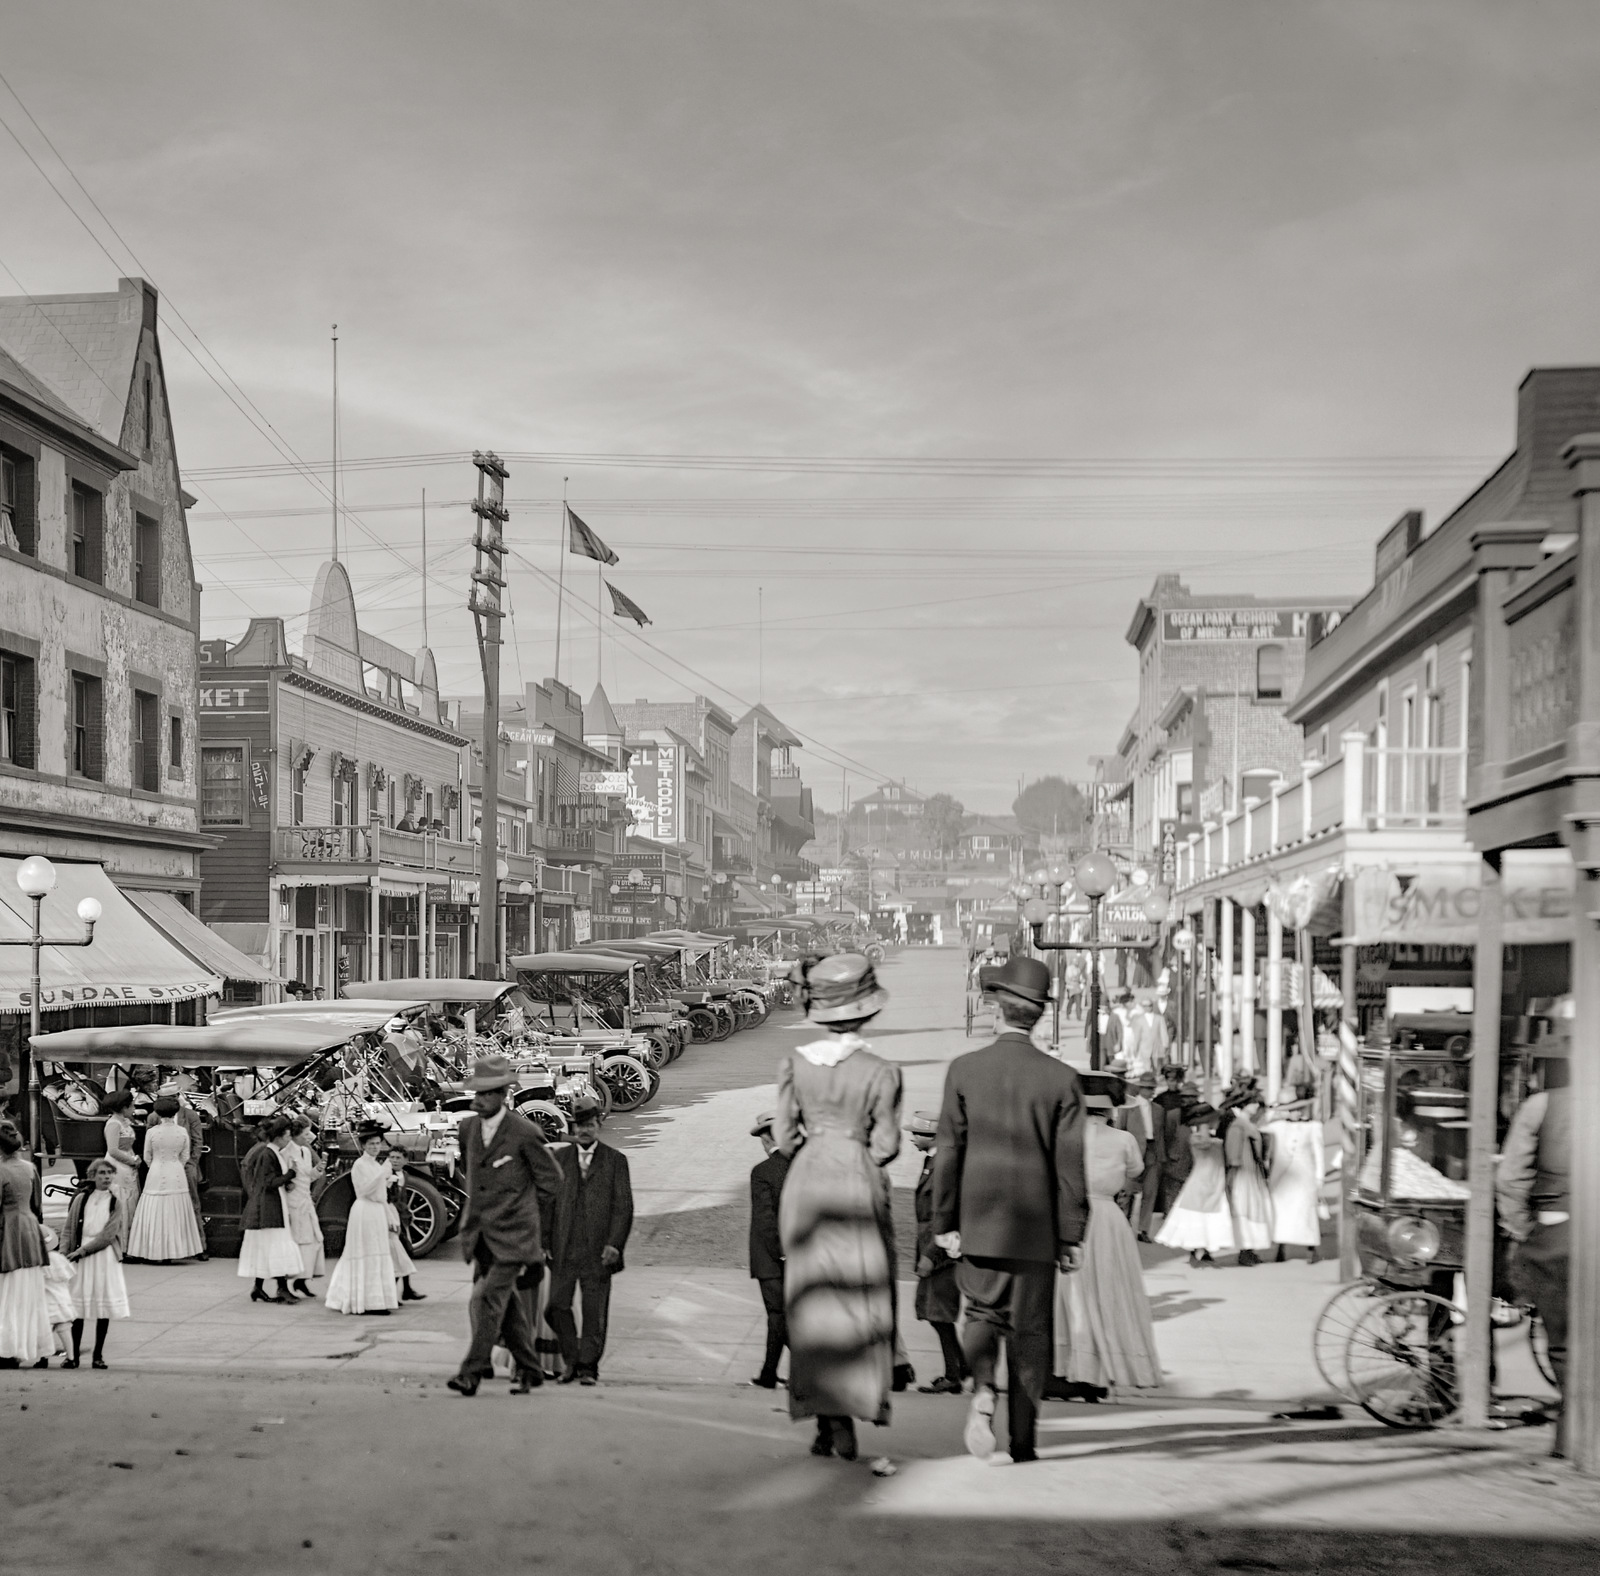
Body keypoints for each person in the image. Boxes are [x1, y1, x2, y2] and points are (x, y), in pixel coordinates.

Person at [931, 954, 1088, 1466]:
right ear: (1040, 1015)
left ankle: (982, 1388)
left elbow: (949, 1153)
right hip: (1037, 1235)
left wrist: (944, 1225)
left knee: (979, 1311)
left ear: (998, 1009)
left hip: (979, 1227)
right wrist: (1071, 1235)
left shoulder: (964, 1070)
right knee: (1031, 1333)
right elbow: (1070, 1167)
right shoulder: (1063, 1081)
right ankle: (1024, 1442)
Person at [774, 952, 903, 1462]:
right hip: (855, 1179)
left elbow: (784, 1139)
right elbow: (887, 1146)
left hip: (807, 1183)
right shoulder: (882, 1071)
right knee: (859, 1297)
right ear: (867, 1012)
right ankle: (852, 1405)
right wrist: (854, 1150)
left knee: (810, 1299)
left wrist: (817, 1144)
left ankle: (823, 1416)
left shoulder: (795, 1064)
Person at [448, 1054, 565, 1398]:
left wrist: (526, 1216)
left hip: (515, 1236)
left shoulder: (524, 1133)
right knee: (508, 1305)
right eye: (476, 1093)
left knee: (487, 1299)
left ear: (502, 1094)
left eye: (485, 1094)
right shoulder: (467, 1129)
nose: (477, 1100)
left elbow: (552, 1183)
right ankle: (530, 1369)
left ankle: (471, 1372)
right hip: (480, 1234)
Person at [1054, 1094, 1161, 1392]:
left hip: (1073, 1212)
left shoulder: (1065, 1135)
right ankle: (1111, 1360)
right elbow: (1135, 1172)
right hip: (1108, 1215)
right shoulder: (1123, 1138)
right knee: (1112, 1285)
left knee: (1074, 1288)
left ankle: (1073, 1360)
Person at [1496, 1068, 1570, 1457]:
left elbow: (1510, 1179)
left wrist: (1523, 1228)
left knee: (1562, 1342)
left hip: (1558, 1236)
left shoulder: (1542, 1106)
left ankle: (1571, 1434)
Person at [547, 1097, 634, 1386]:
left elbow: (623, 1207)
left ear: (599, 1126)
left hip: (598, 1252)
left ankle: (588, 1369)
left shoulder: (615, 1161)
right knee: (556, 1306)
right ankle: (571, 1360)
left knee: (593, 1313)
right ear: (574, 1127)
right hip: (564, 1249)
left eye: (590, 1125)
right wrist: (545, 1241)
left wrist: (615, 1244)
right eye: (580, 1125)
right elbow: (547, 1203)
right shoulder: (560, 1159)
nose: (585, 1130)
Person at [909, 1110, 966, 1396]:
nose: (912, 1138)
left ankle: (954, 1375)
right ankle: (960, 1366)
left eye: (917, 1134)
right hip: (937, 1247)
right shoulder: (935, 1161)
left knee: (939, 1313)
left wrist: (930, 1254)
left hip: (941, 1251)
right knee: (933, 1312)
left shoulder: (942, 1164)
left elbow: (944, 1214)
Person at [325, 1122, 402, 1315]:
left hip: (376, 1211)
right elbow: (364, 1190)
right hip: (364, 1211)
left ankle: (376, 1300)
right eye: (371, 1144)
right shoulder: (360, 1165)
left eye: (377, 1143)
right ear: (364, 1146)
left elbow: (380, 1193)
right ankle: (364, 1301)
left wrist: (390, 1214)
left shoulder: (375, 1164)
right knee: (366, 1251)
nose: (375, 1147)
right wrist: (382, 1176)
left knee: (378, 1252)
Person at [61, 1157, 131, 1368]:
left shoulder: (115, 1203)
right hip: (80, 1255)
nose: (107, 1177)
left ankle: (98, 1355)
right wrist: (64, 1253)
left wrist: (82, 1252)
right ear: (92, 1176)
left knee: (102, 1306)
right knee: (78, 1306)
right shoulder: (81, 1199)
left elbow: (108, 1236)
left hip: (102, 1256)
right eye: (102, 1173)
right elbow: (69, 1228)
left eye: (110, 1173)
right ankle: (72, 1356)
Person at [127, 1097, 205, 1264]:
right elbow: (185, 1155)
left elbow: (147, 1156)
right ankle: (175, 1250)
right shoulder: (182, 1131)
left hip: (156, 1170)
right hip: (176, 1171)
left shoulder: (152, 1132)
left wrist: (155, 1164)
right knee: (177, 1209)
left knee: (154, 1209)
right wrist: (176, 1164)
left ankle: (153, 1249)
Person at [0, 1116, 51, 1368]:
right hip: (29, 1225)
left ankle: (8, 1350)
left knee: (8, 1292)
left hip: (9, 1228)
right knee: (28, 1290)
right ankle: (36, 1347)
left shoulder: (1, 1170)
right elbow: (37, 1204)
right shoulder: (29, 1168)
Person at [1155, 1106, 1233, 1266]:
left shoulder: (1204, 1138)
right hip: (1202, 1183)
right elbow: (1205, 1144)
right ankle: (1198, 1250)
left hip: (1212, 1183)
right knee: (1200, 1217)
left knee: (1205, 1217)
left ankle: (1203, 1250)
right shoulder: (1197, 1138)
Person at [238, 1115, 303, 1304]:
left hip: (268, 1205)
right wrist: (290, 1174)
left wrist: (286, 1180)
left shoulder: (271, 1152)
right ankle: (282, 1288)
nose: (290, 1138)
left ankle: (258, 1288)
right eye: (288, 1135)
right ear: (280, 1136)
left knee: (266, 1246)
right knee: (276, 1244)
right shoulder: (270, 1154)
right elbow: (269, 1182)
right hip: (270, 1206)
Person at [747, 1109, 790, 1390]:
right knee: (787, 1317)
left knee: (777, 1316)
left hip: (770, 1258)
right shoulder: (801, 1167)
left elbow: (765, 1219)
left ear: (765, 1139)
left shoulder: (762, 1172)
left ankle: (770, 1373)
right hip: (799, 1256)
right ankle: (770, 1373)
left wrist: (780, 1251)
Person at [1263, 1094, 1325, 1263]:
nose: (1297, 1113)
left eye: (1299, 1109)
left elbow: (1319, 1152)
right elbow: (1261, 1124)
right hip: (1283, 1177)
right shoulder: (1278, 1126)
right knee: (1282, 1213)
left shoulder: (1313, 1127)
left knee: (1306, 1212)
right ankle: (1281, 1248)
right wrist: (1278, 1111)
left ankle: (1311, 1249)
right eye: (1292, 1110)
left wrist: (1320, 1176)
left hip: (1305, 1176)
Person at [1221, 1094, 1274, 1267]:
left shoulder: (1246, 1124)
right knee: (1245, 1210)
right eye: (1253, 1103)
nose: (1256, 1106)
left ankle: (1250, 1249)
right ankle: (1245, 1250)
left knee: (1252, 1209)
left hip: (1251, 1172)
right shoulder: (1238, 1126)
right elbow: (1233, 1154)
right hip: (1243, 1174)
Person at [159, 1081, 208, 1256]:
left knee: (193, 1204)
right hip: (164, 1166)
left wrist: (192, 1163)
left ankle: (200, 1246)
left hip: (186, 1166)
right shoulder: (153, 1117)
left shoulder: (190, 1115)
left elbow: (197, 1142)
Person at [283, 1115, 326, 1300]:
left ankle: (302, 1278)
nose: (309, 1137)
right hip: (293, 1202)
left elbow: (308, 1176)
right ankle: (288, 1280)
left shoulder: (305, 1152)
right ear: (296, 1135)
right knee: (296, 1241)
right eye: (306, 1134)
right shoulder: (286, 1153)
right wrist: (287, 1184)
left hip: (305, 1201)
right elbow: (283, 1176)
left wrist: (319, 1170)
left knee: (313, 1241)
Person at [1118, 1070, 1158, 1236]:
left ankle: (1144, 1229)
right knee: (1128, 1190)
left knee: (1149, 1192)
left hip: (1152, 1150)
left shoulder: (1157, 1109)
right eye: (1146, 1088)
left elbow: (1160, 1133)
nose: (1149, 1091)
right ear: (1140, 1089)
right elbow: (1120, 1129)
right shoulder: (1129, 1108)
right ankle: (1123, 1225)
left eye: (1151, 1088)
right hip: (1132, 1150)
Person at [383, 1144, 425, 1303]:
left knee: (405, 1252)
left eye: (398, 1158)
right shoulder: (386, 1175)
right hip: (391, 1217)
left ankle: (406, 1289)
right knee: (399, 1254)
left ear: (406, 1160)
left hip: (402, 1217)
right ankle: (394, 1293)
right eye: (391, 1157)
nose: (394, 1161)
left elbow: (404, 1197)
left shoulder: (404, 1175)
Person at [99, 1089, 142, 1221]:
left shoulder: (124, 1122)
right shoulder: (113, 1124)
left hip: (127, 1163)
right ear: (124, 1108)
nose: (134, 1108)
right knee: (122, 1199)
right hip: (117, 1166)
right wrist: (132, 1161)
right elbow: (113, 1150)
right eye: (132, 1105)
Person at [39, 1224, 77, 1365]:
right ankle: (71, 1358)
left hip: (47, 1301)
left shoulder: (39, 1262)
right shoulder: (59, 1258)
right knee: (65, 1330)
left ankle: (44, 1358)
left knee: (45, 1333)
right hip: (63, 1299)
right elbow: (72, 1276)